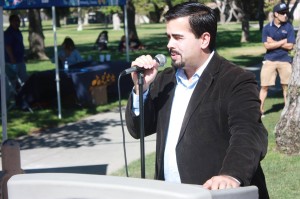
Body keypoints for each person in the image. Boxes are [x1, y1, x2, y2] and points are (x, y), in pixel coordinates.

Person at [125, 2, 269, 199]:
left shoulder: (236, 80)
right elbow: (138, 129)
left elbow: (248, 132)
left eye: (178, 37)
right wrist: (141, 88)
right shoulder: (164, 80)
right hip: (169, 193)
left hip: (214, 194)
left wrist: (231, 175)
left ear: (204, 39)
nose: (169, 45)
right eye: (168, 37)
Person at [259, 3, 295, 116]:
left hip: (285, 60)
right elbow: (267, 46)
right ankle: (259, 111)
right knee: (264, 86)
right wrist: (283, 42)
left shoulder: (289, 27)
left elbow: (290, 46)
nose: (285, 15)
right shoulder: (267, 28)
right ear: (276, 14)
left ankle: (287, 112)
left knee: (286, 86)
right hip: (269, 60)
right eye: (282, 13)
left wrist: (274, 42)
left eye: (286, 13)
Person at [4, 14, 28, 88]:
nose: (18, 22)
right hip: (12, 62)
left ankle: (23, 95)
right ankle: (10, 97)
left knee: (24, 79)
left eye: (18, 21)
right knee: (12, 81)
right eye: (15, 21)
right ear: (11, 22)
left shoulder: (18, 32)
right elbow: (7, 46)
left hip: (20, 60)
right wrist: (12, 58)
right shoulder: (8, 33)